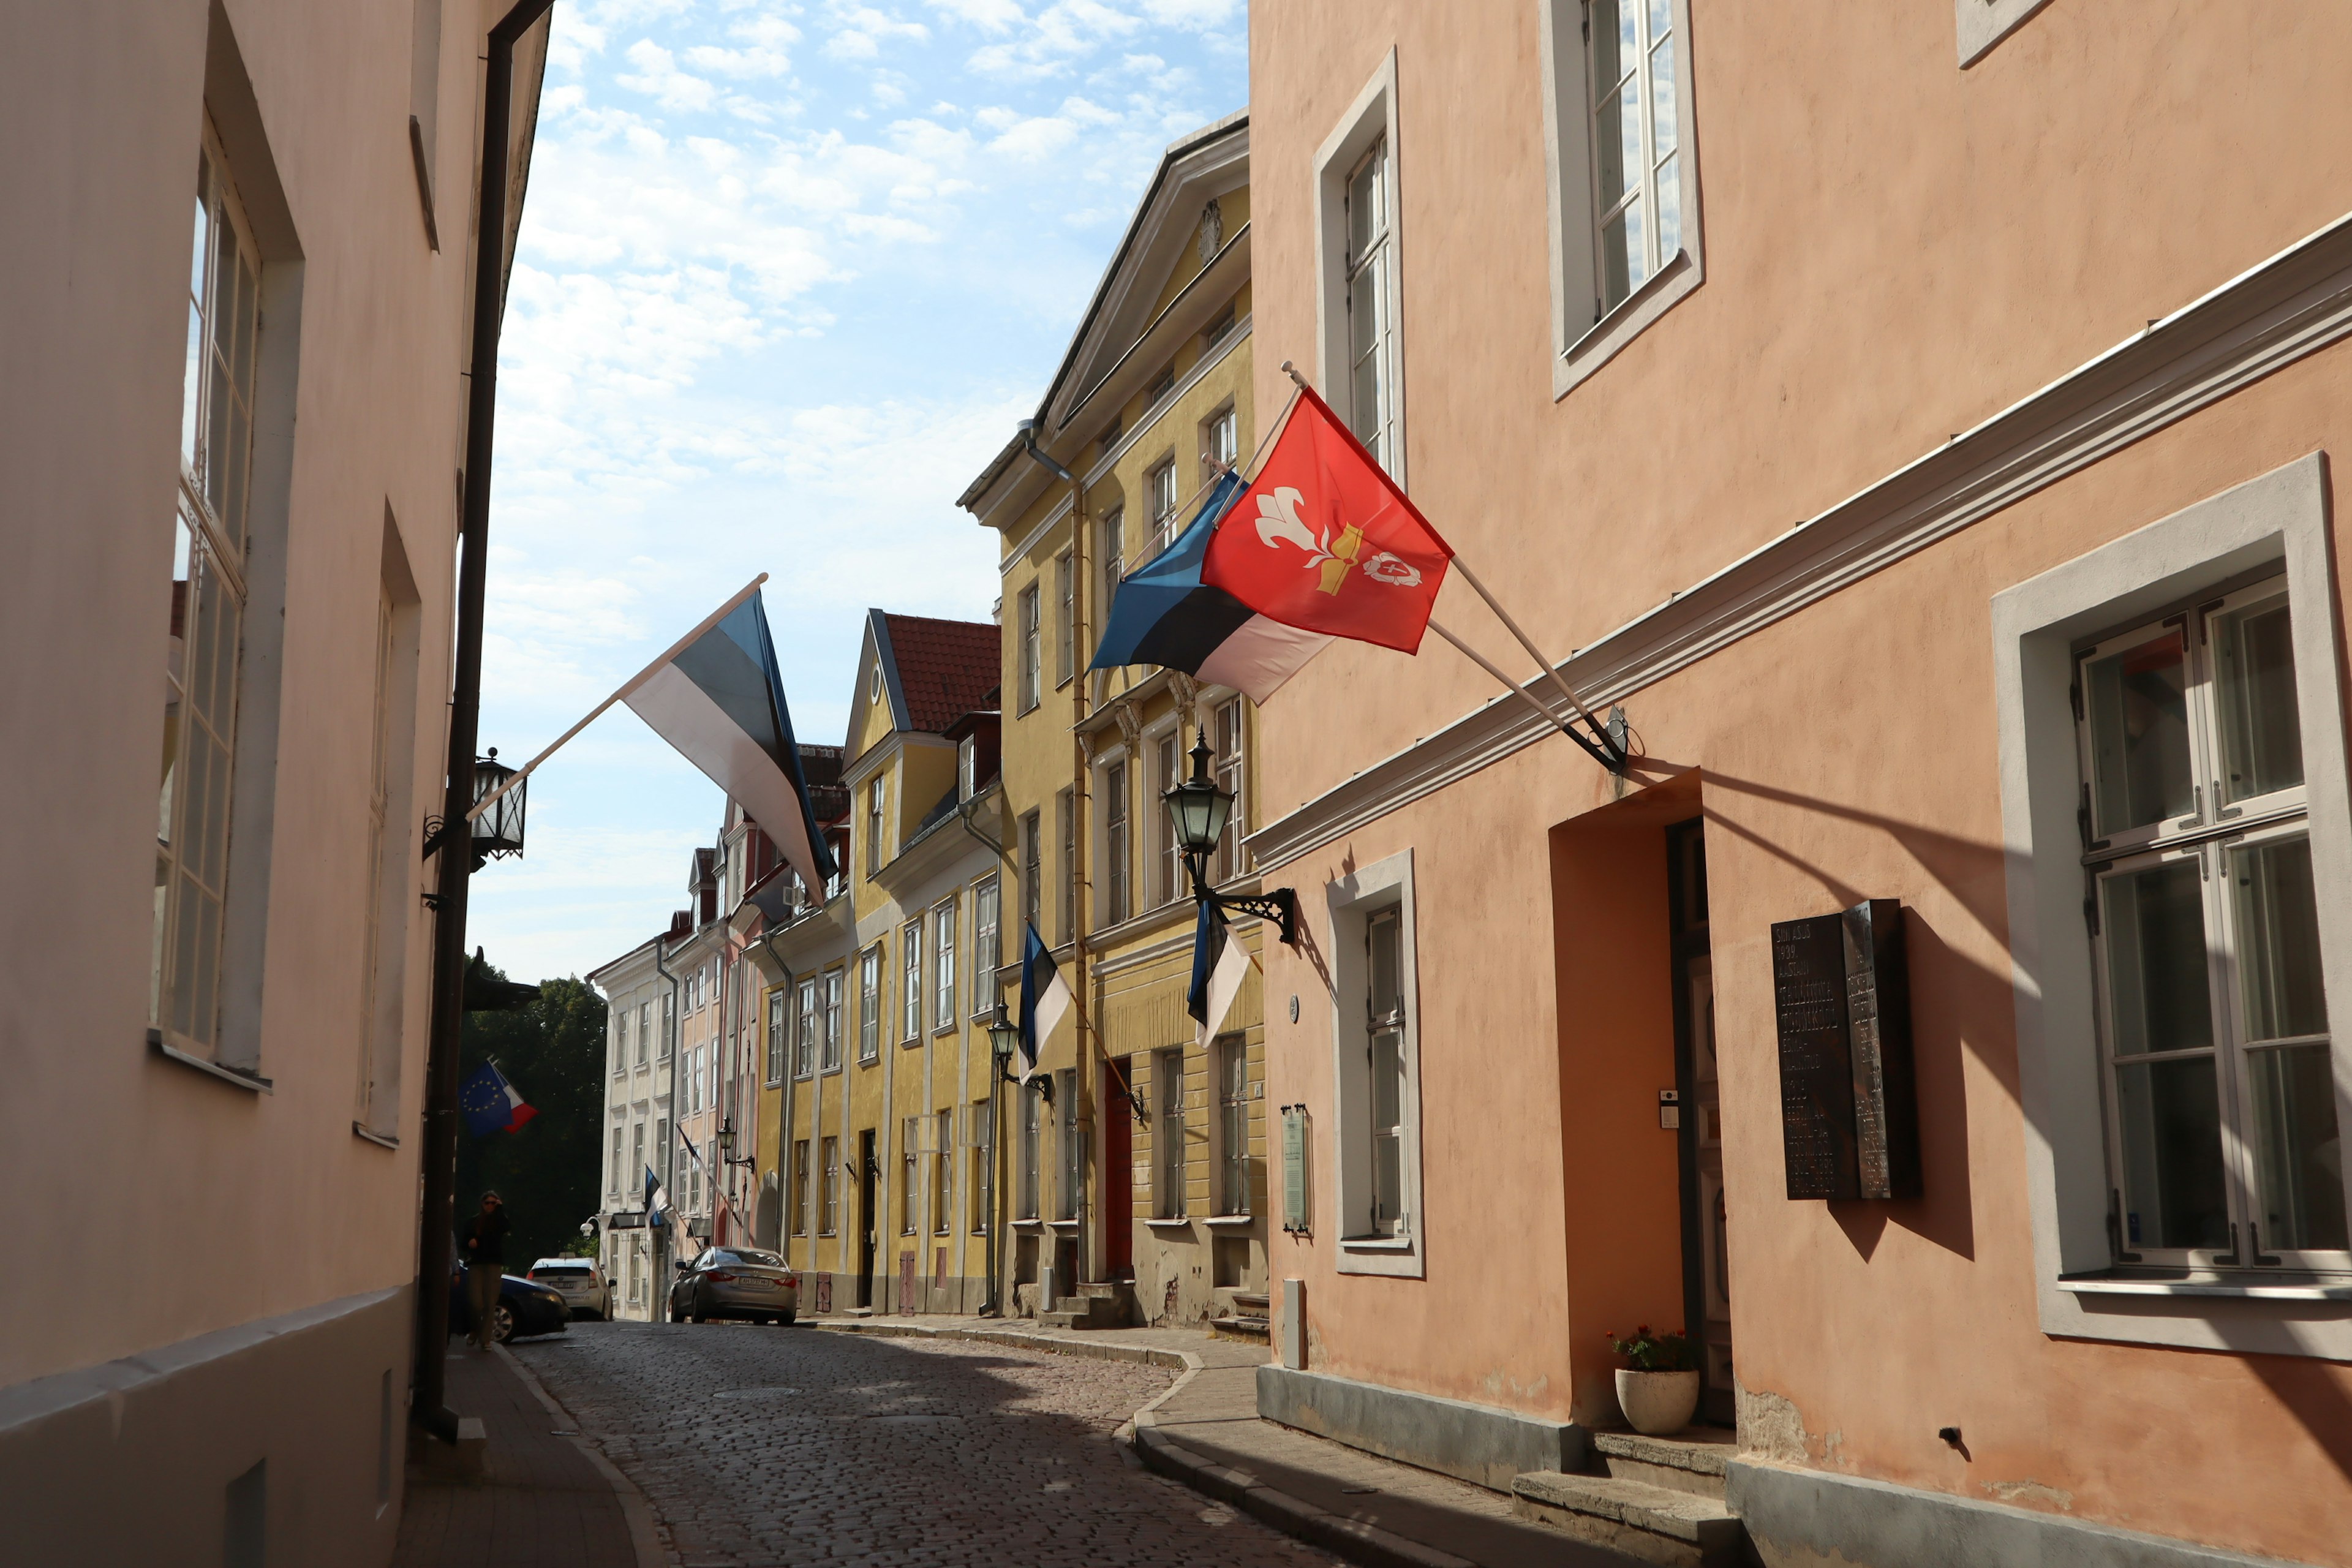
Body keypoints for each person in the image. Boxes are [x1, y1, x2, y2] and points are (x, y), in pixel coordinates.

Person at [461, 1189, 511, 1348]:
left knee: (490, 1303)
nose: (490, 1206)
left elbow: (506, 1227)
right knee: (476, 1303)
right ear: (482, 1204)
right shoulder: (473, 1222)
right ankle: (475, 1329)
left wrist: (500, 1209)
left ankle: (486, 1340)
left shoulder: (499, 1221)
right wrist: (470, 1243)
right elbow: (462, 1243)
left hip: (494, 1264)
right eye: (487, 1203)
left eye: (493, 1203)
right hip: (476, 1264)